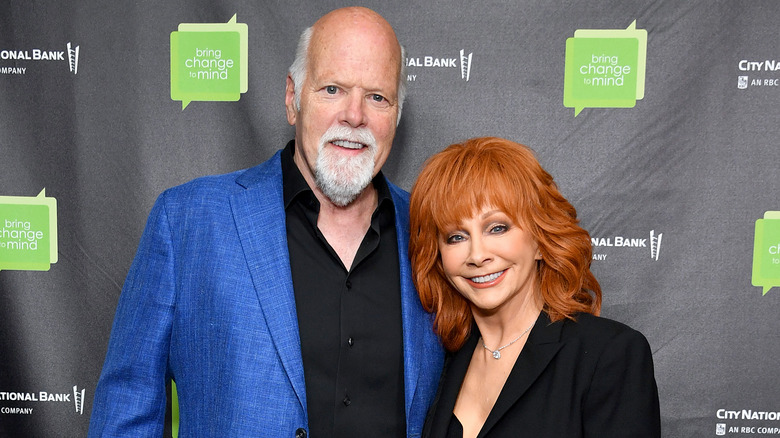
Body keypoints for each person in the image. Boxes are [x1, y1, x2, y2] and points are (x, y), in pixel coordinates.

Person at [88, 7, 444, 438]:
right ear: (292, 98)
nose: (354, 115)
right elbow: (127, 412)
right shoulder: (187, 222)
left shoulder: (434, 232)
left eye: (377, 97)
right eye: (332, 89)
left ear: (397, 113)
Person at [408, 137, 661, 438]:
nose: (477, 255)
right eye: (456, 237)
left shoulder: (608, 355)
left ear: (540, 240)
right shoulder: (438, 360)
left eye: (497, 228)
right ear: (438, 256)